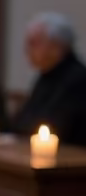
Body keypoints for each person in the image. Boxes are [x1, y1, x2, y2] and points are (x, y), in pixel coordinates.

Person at [11, 13, 86, 146]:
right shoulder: (46, 75)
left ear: (57, 47)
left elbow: (54, 126)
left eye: (34, 43)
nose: (27, 50)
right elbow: (22, 121)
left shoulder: (77, 79)